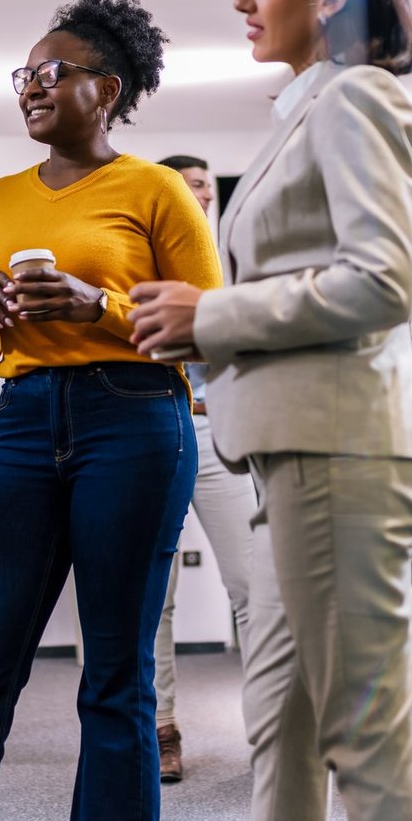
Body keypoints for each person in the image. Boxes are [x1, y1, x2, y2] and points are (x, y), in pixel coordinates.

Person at [130, 0, 412, 821]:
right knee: (285, 731)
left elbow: (381, 283)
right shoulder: (304, 108)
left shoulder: (357, 97)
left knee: (363, 736)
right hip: (286, 455)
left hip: (339, 450)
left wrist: (210, 316)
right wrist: (188, 335)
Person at [0, 0, 219, 821]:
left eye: (49, 71)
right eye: (22, 74)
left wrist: (94, 301)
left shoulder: (152, 189)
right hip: (27, 425)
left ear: (104, 90)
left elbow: (207, 320)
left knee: (114, 683)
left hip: (135, 419)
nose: (29, 86)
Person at [149, 154, 257, 784]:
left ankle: (270, 726)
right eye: (188, 187)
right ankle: (161, 729)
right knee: (155, 598)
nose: (203, 197)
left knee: (250, 585)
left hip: (220, 427)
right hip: (158, 424)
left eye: (206, 188)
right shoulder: (145, 255)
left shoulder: (234, 260)